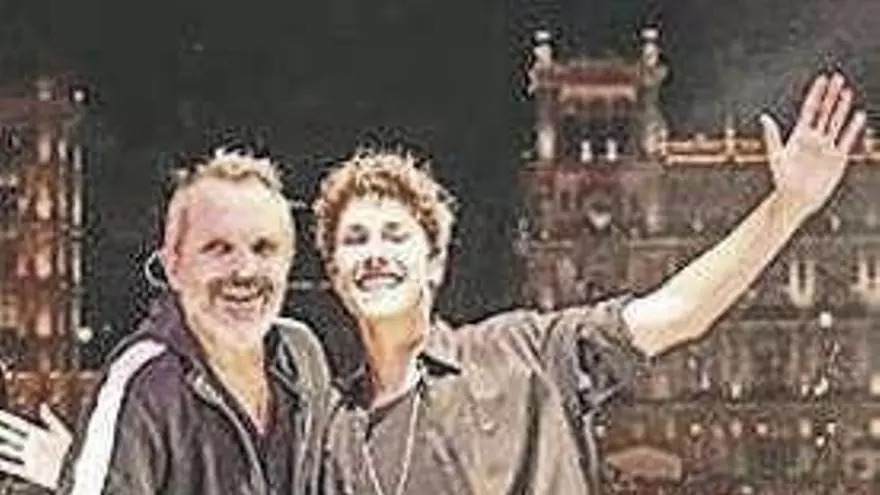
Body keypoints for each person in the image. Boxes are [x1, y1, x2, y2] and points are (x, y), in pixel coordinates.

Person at [314, 72, 865, 494]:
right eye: (355, 239)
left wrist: (787, 208)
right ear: (335, 273)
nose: (375, 253)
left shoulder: (524, 354)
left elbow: (678, 312)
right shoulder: (330, 429)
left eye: (394, 235)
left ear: (435, 263)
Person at [0, 151, 332, 494]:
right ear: (173, 265)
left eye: (264, 248)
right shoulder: (143, 381)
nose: (245, 270)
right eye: (218, 248)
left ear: (289, 260)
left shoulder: (302, 355)